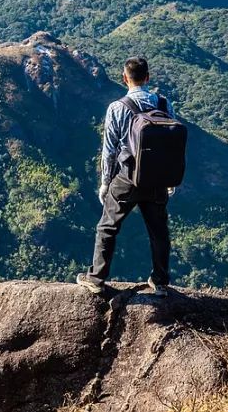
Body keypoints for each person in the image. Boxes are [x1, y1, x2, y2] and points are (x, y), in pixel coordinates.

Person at [76, 56, 174, 297]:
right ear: (148, 77)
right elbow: (172, 143)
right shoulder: (163, 104)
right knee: (158, 230)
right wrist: (171, 178)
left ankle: (97, 278)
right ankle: (160, 281)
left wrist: (105, 183)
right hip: (157, 179)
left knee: (108, 227)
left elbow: (109, 150)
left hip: (127, 177)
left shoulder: (118, 107)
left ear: (124, 78)